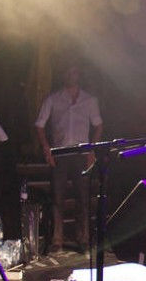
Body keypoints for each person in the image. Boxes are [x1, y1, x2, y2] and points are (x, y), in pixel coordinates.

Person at [34, 57, 103, 255]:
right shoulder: (53, 99)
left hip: (81, 152)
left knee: (82, 197)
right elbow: (39, 125)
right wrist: (46, 148)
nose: (71, 76)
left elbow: (98, 125)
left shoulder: (90, 100)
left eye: (74, 72)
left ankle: (83, 238)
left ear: (79, 75)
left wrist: (92, 150)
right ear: (64, 75)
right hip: (60, 153)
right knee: (58, 198)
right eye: (68, 73)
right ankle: (57, 239)